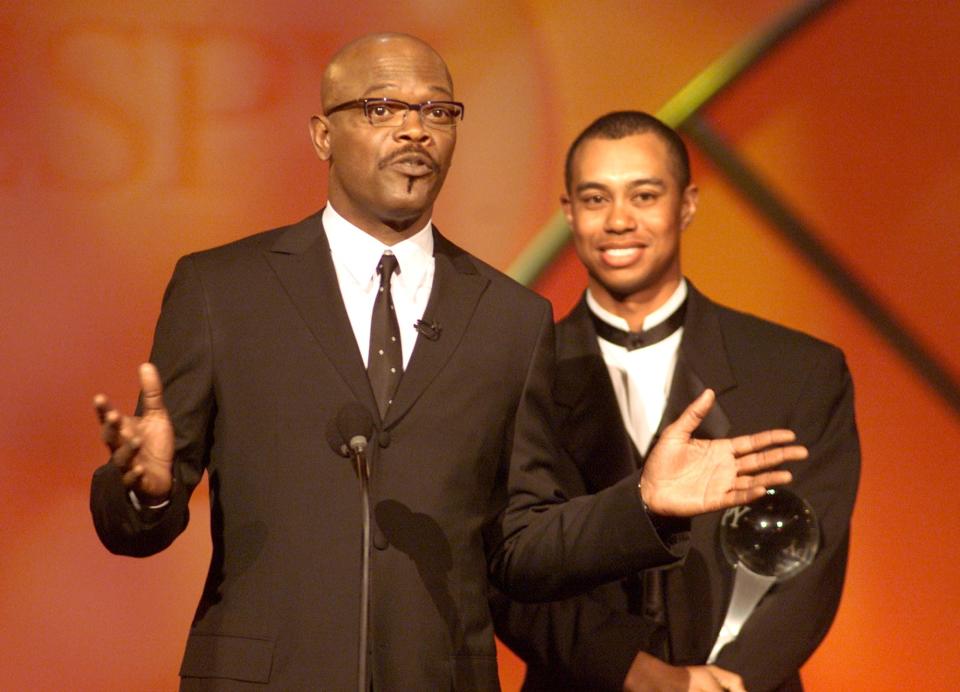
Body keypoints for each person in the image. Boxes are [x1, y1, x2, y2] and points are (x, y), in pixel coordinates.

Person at [89, 38, 805, 690]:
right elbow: (137, 526)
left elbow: (519, 546)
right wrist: (147, 490)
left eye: (438, 109)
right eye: (381, 107)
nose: (413, 128)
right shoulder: (223, 290)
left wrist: (640, 504)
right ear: (322, 136)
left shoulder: (510, 318)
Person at [492, 111, 860, 692]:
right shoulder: (509, 376)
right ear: (568, 213)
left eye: (643, 195)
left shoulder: (800, 370)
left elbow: (815, 558)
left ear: (687, 204)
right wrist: (633, 672)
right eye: (595, 198)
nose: (618, 220)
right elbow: (505, 563)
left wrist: (731, 681)